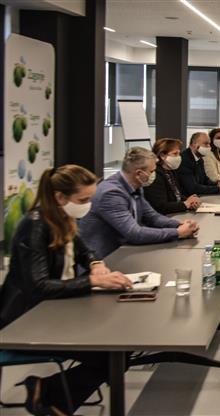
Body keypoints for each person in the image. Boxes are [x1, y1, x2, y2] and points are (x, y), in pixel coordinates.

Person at [0, 165, 133, 415]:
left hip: (57, 309)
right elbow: (39, 286)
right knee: (112, 354)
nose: (88, 205)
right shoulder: (35, 226)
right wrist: (93, 282)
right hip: (27, 320)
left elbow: (84, 250)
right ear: (60, 197)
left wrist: (95, 264)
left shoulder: (62, 217)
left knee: (121, 348)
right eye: (83, 200)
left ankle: (49, 393)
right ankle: (51, 396)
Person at [79, 147, 199, 258]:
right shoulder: (111, 194)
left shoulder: (136, 185)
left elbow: (153, 217)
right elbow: (134, 233)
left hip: (124, 252)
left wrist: (179, 224)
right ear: (138, 174)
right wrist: (178, 232)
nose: (154, 175)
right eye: (152, 171)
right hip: (104, 259)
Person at [144, 138, 202, 214]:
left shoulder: (171, 171)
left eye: (179, 153)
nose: (179, 157)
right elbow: (161, 206)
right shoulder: (155, 175)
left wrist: (190, 200)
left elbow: (176, 195)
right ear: (162, 156)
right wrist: (185, 204)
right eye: (175, 154)